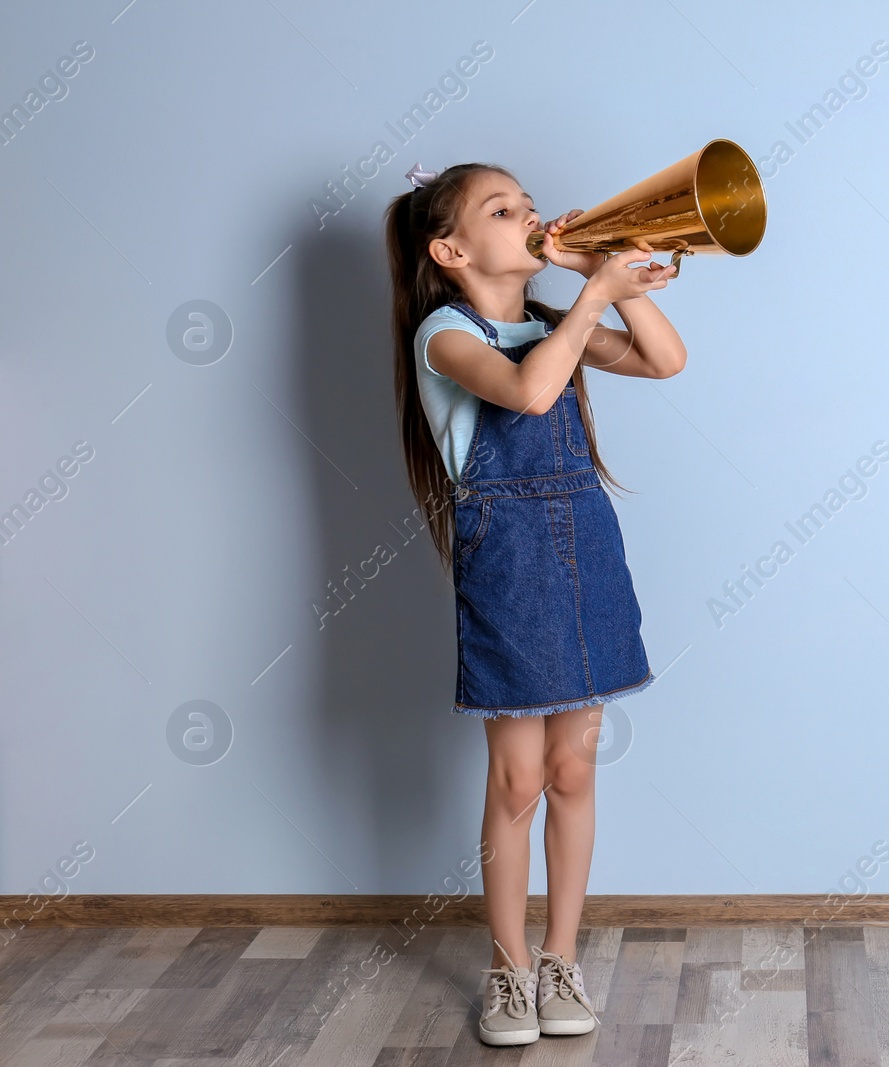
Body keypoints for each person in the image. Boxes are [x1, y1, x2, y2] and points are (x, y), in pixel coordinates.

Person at [383, 161, 683, 1046]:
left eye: (530, 205)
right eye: (502, 209)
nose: (531, 216)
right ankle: (509, 968)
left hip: (586, 550)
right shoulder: (444, 334)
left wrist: (613, 278)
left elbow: (666, 360)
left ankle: (561, 957)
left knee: (575, 770)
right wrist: (591, 296)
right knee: (517, 780)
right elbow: (528, 390)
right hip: (509, 564)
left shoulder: (560, 323)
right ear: (451, 249)